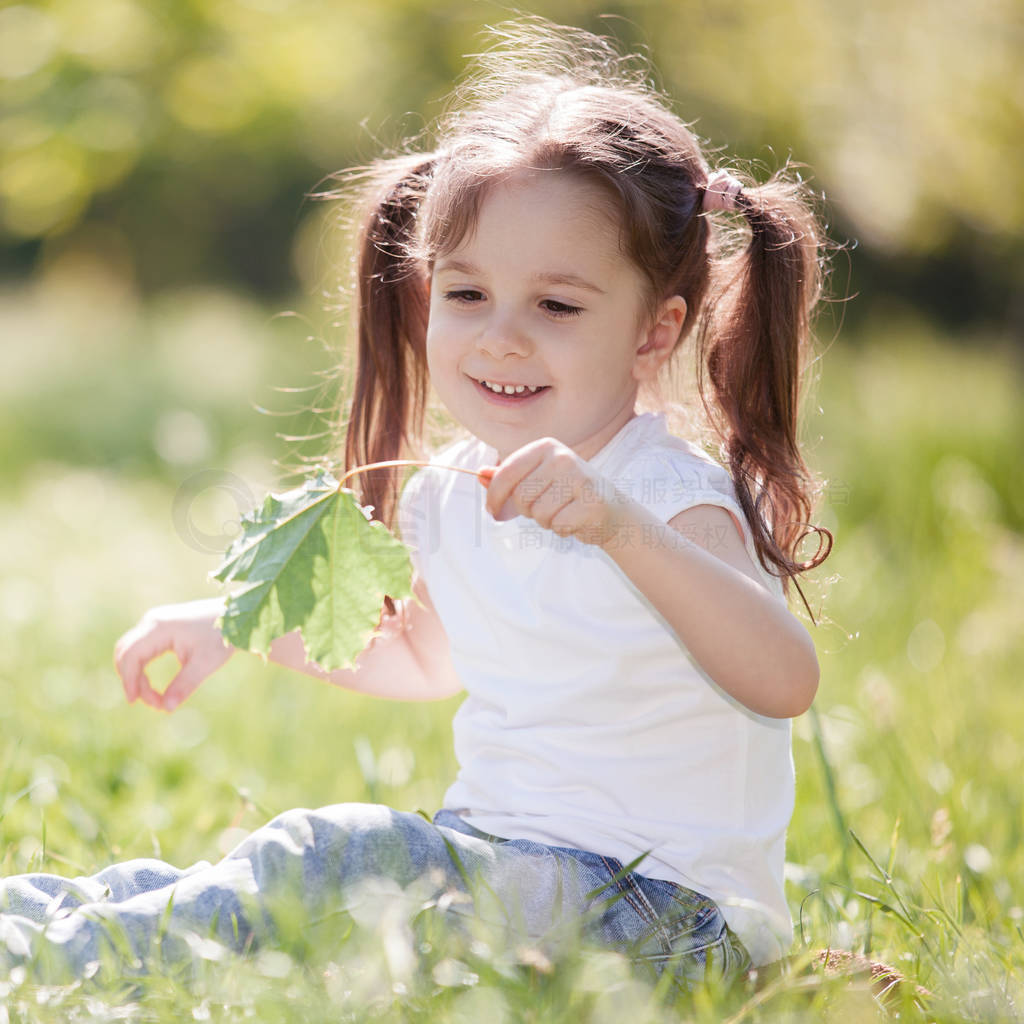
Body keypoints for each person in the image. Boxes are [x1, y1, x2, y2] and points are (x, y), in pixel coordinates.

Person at [0, 18, 834, 991]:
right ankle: (34, 939)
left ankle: (48, 968)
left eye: (557, 307)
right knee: (210, 885)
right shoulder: (455, 489)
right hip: (502, 869)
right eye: (467, 293)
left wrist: (617, 526)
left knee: (337, 860)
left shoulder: (663, 494)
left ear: (657, 329)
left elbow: (783, 678)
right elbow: (420, 656)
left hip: (669, 921)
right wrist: (241, 625)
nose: (500, 339)